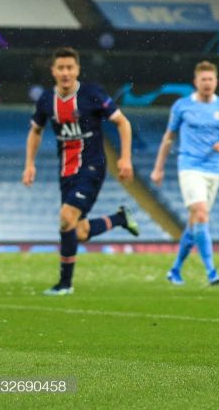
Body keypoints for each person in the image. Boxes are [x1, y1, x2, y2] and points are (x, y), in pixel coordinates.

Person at [22, 46, 139, 296]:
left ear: (78, 70)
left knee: (66, 218)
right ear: (53, 71)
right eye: (61, 68)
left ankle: (65, 285)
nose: (66, 73)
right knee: (78, 230)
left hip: (92, 166)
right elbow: (35, 130)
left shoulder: (92, 94)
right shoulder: (46, 100)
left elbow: (122, 122)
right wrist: (29, 164)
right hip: (66, 171)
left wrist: (125, 158)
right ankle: (120, 218)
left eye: (70, 68)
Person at [151, 61, 219, 286]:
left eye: (210, 79)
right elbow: (168, 137)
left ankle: (175, 269)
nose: (207, 83)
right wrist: (158, 168)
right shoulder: (182, 106)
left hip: (213, 170)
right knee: (201, 214)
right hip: (189, 167)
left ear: (216, 82)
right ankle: (211, 271)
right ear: (195, 82)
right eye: (203, 79)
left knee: (194, 222)